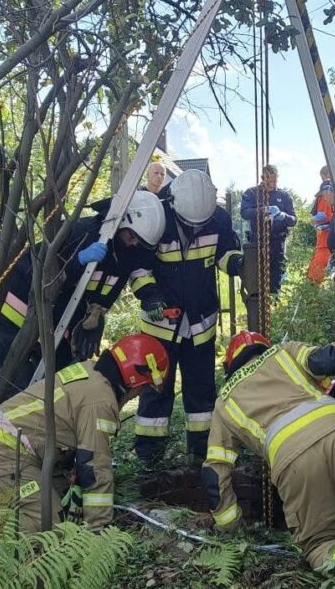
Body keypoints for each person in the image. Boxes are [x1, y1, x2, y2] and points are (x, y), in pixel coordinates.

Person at [202, 322, 335, 588]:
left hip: (294, 460)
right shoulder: (284, 351)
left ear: (230, 367)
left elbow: (214, 472)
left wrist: (230, 529)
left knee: (318, 543)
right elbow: (329, 359)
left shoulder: (225, 401)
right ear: (263, 347)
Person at [0, 333, 170, 533]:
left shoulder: (90, 372)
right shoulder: (100, 401)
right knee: (48, 523)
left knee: (65, 505)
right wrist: (98, 530)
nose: (138, 395)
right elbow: (95, 468)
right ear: (134, 377)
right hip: (0, 455)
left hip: (0, 447)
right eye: (143, 388)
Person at [0, 190, 166, 395]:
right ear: (122, 223)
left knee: (51, 393)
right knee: (11, 391)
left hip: (54, 327)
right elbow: (41, 275)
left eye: (140, 243)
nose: (134, 244)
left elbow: (96, 294)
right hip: (15, 321)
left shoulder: (124, 255)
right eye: (132, 237)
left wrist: (94, 317)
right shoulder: (81, 233)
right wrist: (75, 262)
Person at [134, 169, 243, 462]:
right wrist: (150, 295)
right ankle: (149, 458)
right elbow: (139, 266)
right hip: (160, 327)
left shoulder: (218, 218)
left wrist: (239, 264)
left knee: (201, 390)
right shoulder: (157, 218)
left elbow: (225, 253)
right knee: (157, 389)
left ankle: (201, 452)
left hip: (200, 323)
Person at [240, 164, 296, 294]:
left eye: (274, 180)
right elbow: (244, 213)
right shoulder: (252, 193)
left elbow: (293, 220)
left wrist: (284, 216)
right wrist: (263, 210)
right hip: (257, 241)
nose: (271, 184)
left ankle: (275, 301)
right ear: (262, 178)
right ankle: (258, 304)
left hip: (278, 242)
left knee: (276, 275)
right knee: (258, 276)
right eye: (268, 180)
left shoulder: (284, 196)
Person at [307, 166, 335, 283]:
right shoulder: (327, 193)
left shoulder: (327, 192)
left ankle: (314, 299)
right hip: (324, 242)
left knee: (314, 279)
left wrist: (314, 220)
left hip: (325, 243)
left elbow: (325, 215)